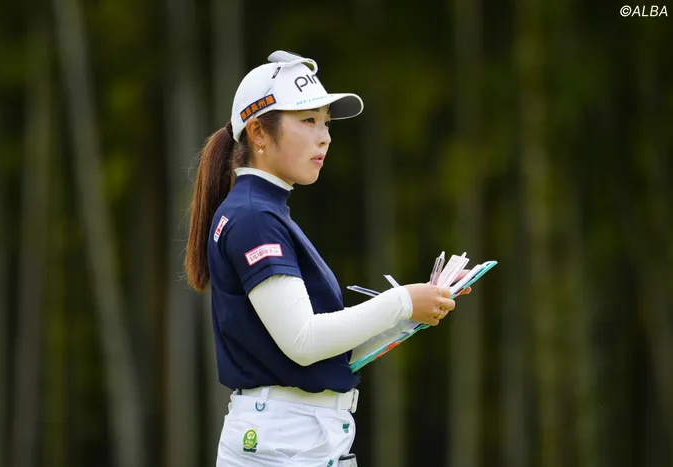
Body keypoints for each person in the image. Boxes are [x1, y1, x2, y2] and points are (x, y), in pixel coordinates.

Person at [184, 50, 469, 466]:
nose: (325, 137)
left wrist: (410, 315)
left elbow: (327, 352)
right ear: (258, 132)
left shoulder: (264, 211)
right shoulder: (254, 216)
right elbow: (303, 341)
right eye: (308, 120)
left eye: (326, 123)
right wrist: (401, 301)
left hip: (295, 437)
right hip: (282, 441)